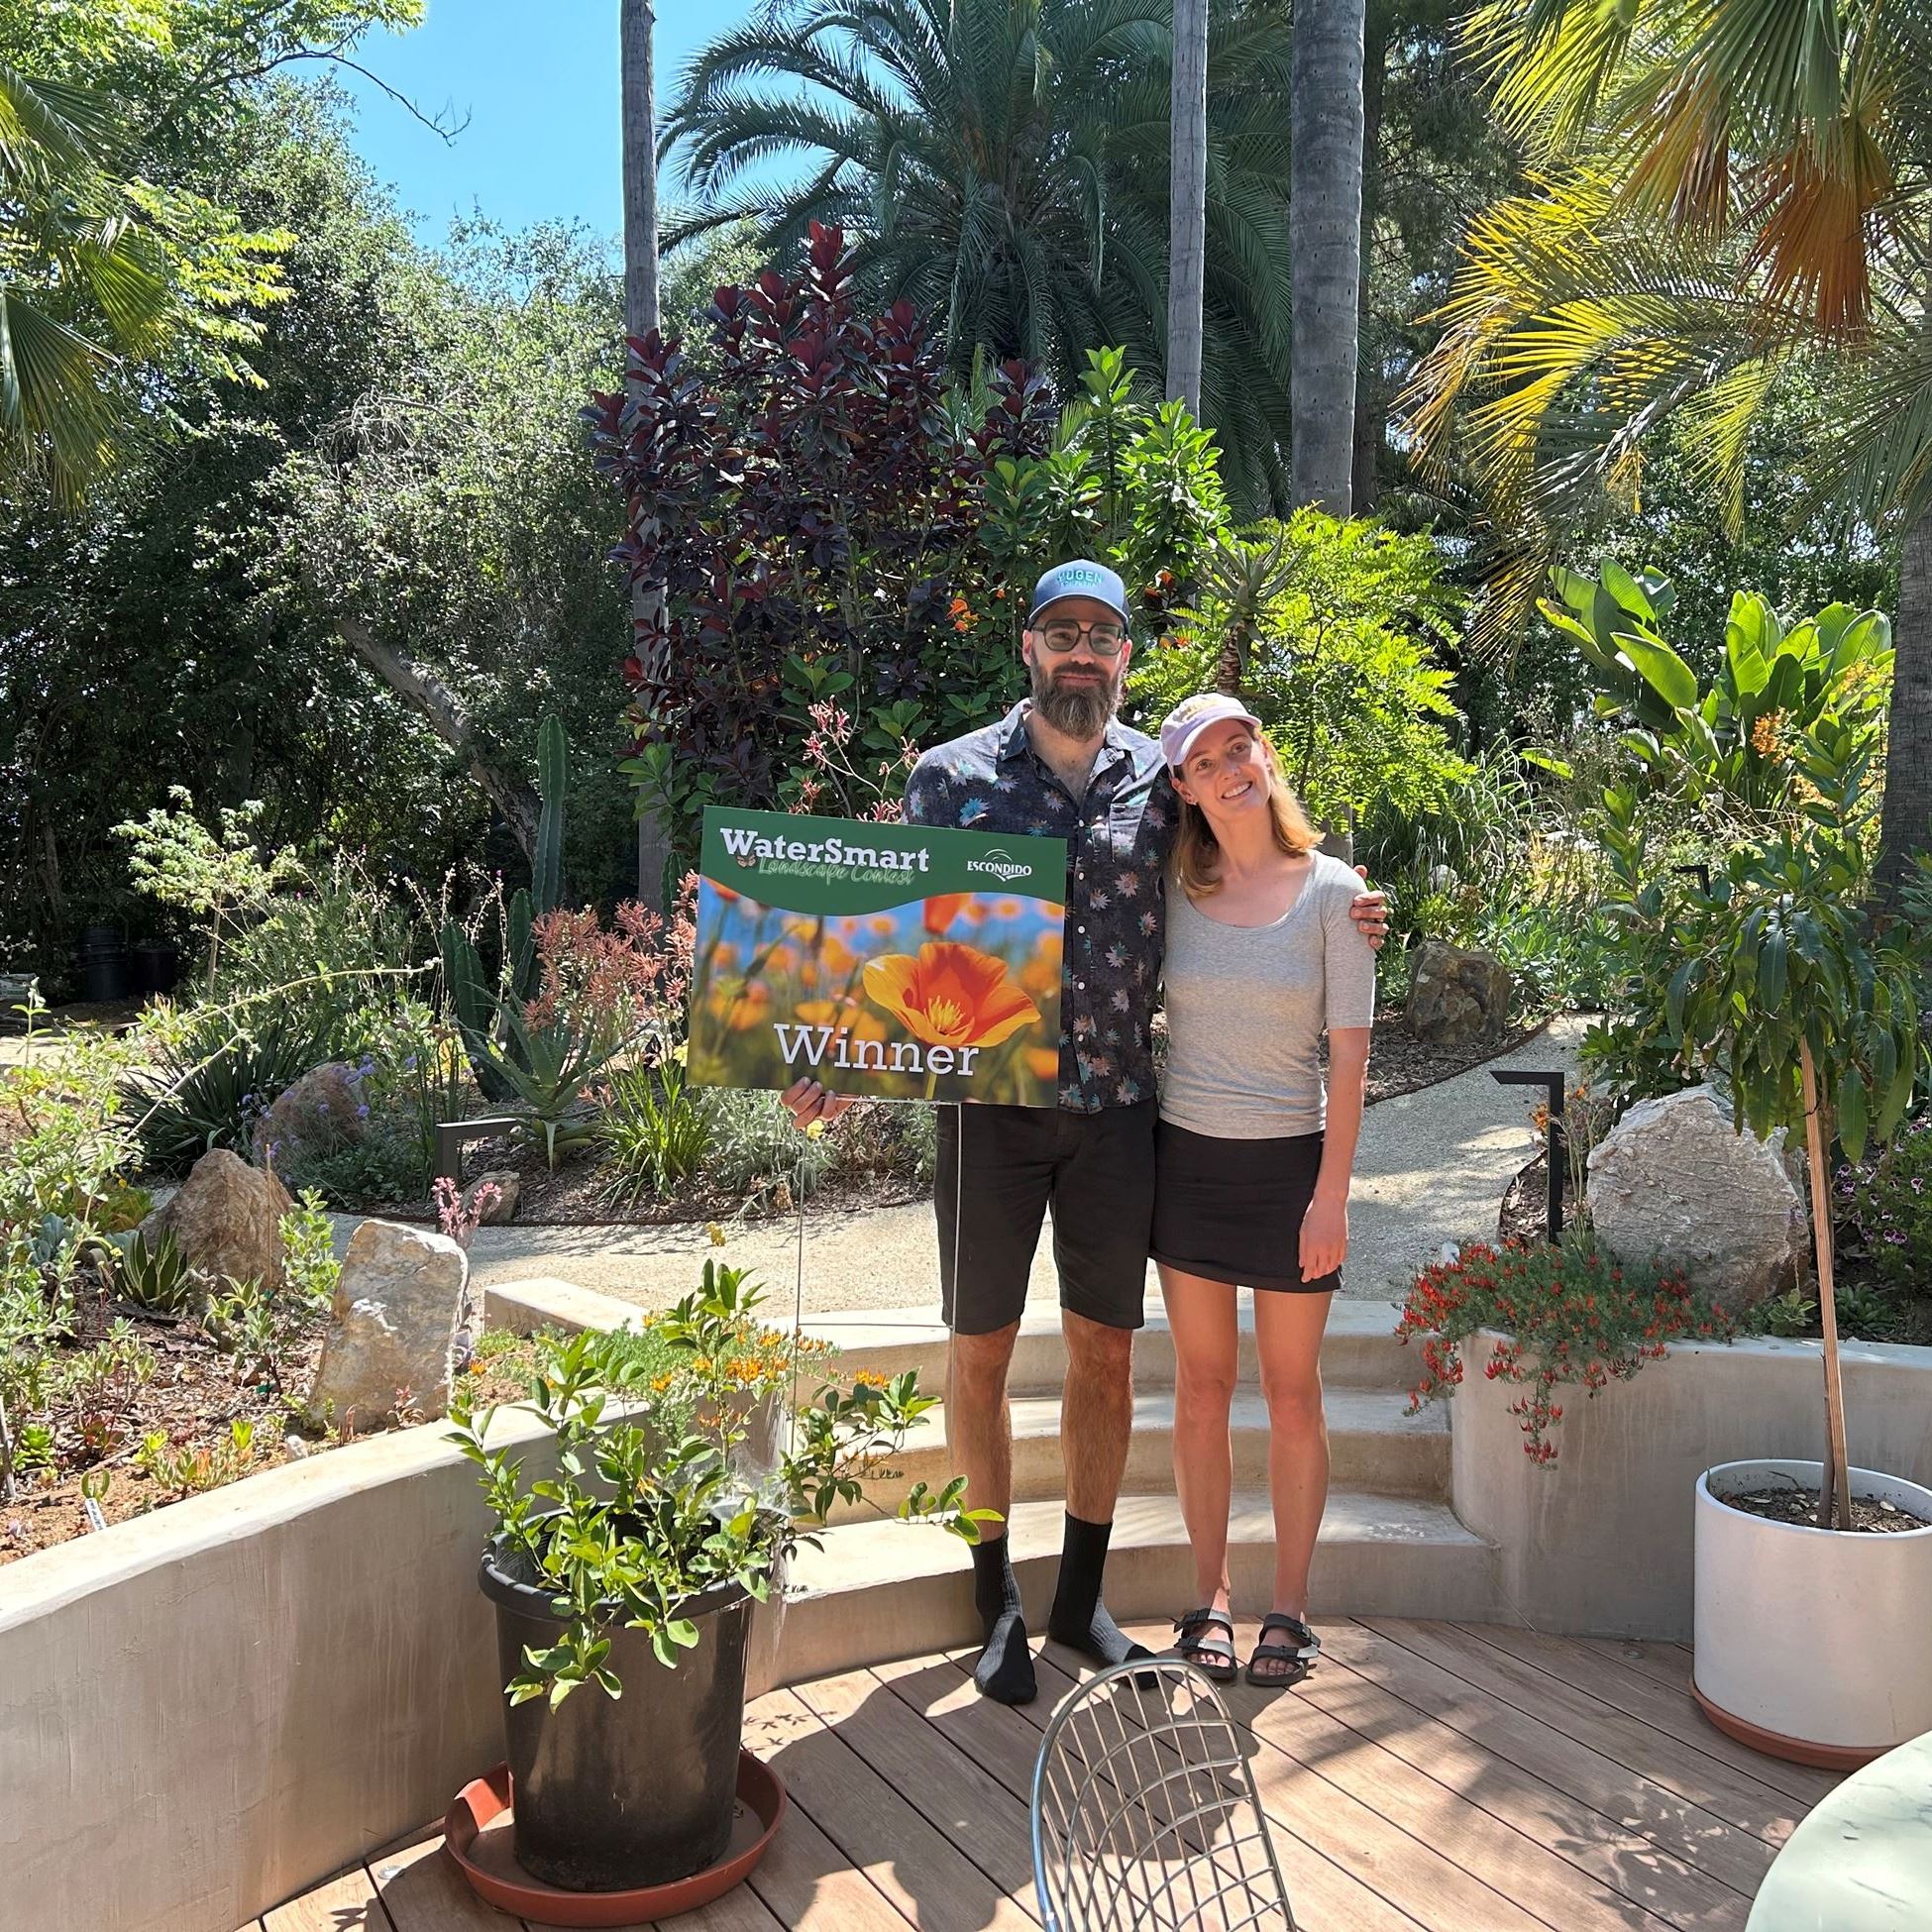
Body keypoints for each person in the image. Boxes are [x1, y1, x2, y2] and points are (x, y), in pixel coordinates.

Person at [784, 561, 1385, 1705]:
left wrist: (1351, 906)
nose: (1082, 654)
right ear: (1027, 647)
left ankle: (1080, 1597)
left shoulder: (1159, 786)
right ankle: (994, 1598)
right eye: (1062, 633)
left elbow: (1257, 863)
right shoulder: (948, 779)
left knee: (1107, 1352)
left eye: (1103, 638)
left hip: (1118, 1116)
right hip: (987, 1119)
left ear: (1125, 659)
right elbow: (894, 945)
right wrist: (836, 1063)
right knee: (981, 1354)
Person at [1151, 691, 1374, 1688]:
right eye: (1205, 762)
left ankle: (1289, 1608)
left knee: (1292, 1395)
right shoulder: (1166, 891)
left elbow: (1351, 1062)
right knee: (1201, 1391)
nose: (1229, 770)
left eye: (1238, 748)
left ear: (1264, 755)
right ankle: (1212, 1603)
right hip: (1186, 1164)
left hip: (1291, 1171)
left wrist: (1330, 1197)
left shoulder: (1335, 894)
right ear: (1183, 789)